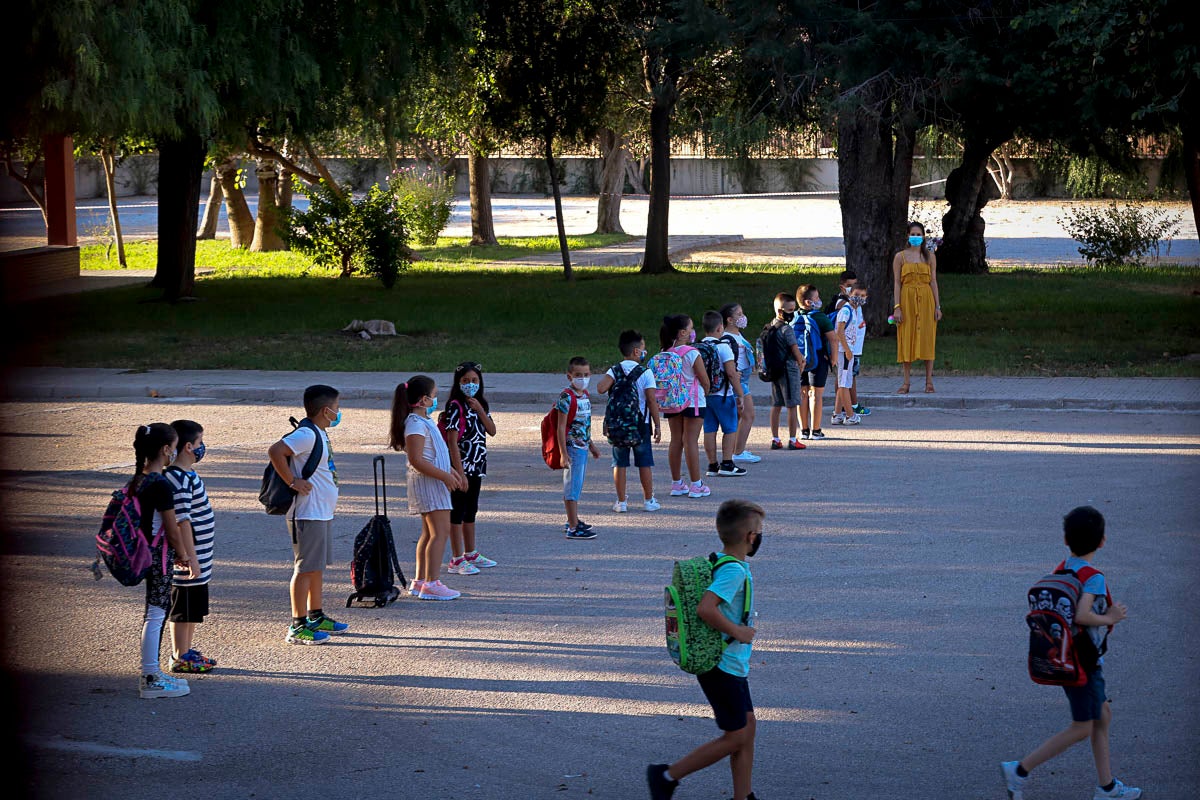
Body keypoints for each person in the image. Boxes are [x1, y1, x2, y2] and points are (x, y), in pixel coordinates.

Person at [1002, 507, 1141, 800]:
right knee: (1082, 727)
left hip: (1064, 654)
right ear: (1102, 541)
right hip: (1083, 662)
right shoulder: (1093, 577)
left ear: (1066, 540)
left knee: (1102, 715)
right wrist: (1110, 617)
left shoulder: (1064, 567)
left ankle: (1107, 787)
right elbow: (1081, 615)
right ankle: (1019, 770)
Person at [646, 499, 765, 800]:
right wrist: (739, 631)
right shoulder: (733, 572)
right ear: (751, 536)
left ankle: (743, 796)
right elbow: (706, 609)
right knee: (737, 735)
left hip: (731, 663)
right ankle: (666, 776)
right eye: (759, 531)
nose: (760, 536)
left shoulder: (721, 561)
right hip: (721, 664)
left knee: (747, 727)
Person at [267, 384, 350, 643]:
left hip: (320, 512)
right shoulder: (307, 434)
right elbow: (275, 451)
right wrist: (293, 481)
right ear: (326, 410)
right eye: (337, 408)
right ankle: (297, 624)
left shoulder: (319, 432)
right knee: (304, 569)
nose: (339, 413)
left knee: (316, 567)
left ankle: (315, 615)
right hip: (307, 512)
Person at [130, 423, 195, 698]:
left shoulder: (139, 479)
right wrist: (184, 555)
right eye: (173, 445)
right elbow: (172, 526)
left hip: (144, 551)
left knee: (154, 612)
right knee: (156, 613)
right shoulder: (160, 484)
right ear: (166, 449)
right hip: (159, 555)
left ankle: (153, 673)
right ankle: (150, 677)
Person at [390, 376, 468, 599]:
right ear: (423, 400)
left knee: (429, 533)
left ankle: (420, 580)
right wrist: (444, 476)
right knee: (440, 533)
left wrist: (451, 472)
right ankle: (432, 583)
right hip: (430, 484)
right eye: (434, 396)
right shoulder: (415, 424)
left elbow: (434, 455)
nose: (436, 400)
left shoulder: (424, 421)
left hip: (434, 481)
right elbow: (417, 460)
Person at [165, 419, 216, 674]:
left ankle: (187, 649)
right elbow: (181, 520)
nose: (202, 447)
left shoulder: (188, 474)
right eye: (199, 442)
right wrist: (189, 557)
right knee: (182, 609)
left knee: (193, 608)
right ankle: (178, 655)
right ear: (187, 446)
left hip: (201, 556)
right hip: (190, 558)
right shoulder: (178, 479)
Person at [442, 361, 499, 576]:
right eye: (466, 381)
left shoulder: (480, 403)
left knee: (471, 510)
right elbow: (452, 441)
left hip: (477, 465)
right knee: (457, 511)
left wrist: (480, 410)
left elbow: (492, 430)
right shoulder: (455, 406)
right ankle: (456, 558)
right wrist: (460, 472)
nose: (470, 384)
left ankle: (470, 552)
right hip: (461, 468)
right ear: (458, 383)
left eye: (474, 380)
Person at [597, 330, 662, 513]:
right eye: (643, 349)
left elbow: (601, 388)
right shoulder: (645, 373)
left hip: (618, 425)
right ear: (635, 351)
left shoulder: (614, 370)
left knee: (619, 463)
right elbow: (651, 401)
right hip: (641, 424)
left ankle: (621, 502)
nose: (644, 352)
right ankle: (649, 500)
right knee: (644, 462)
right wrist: (657, 425)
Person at [660, 315, 712, 498]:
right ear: (683, 333)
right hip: (693, 402)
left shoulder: (665, 352)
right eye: (690, 328)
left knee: (676, 440)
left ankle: (676, 483)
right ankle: (696, 484)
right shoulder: (692, 353)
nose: (693, 331)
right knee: (690, 441)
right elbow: (704, 380)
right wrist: (706, 391)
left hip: (672, 402)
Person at [892, 220, 943, 394]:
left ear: (923, 236)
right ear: (908, 236)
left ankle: (929, 381)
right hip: (907, 299)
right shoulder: (900, 257)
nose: (916, 237)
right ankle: (906, 382)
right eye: (912, 234)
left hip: (926, 299)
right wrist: (897, 307)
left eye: (918, 234)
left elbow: (933, 281)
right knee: (907, 338)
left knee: (928, 338)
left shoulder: (930, 256)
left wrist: (937, 306)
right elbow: (897, 283)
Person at [556, 357, 602, 539]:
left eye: (586, 374)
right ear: (569, 376)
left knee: (576, 485)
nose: (582, 378)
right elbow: (561, 427)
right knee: (571, 487)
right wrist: (563, 453)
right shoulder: (566, 397)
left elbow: (585, 425)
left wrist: (592, 446)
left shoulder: (585, 396)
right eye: (578, 375)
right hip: (572, 448)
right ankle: (573, 527)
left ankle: (572, 519)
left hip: (582, 447)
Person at [699, 310, 747, 477]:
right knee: (730, 429)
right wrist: (740, 393)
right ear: (720, 328)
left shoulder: (698, 347)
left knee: (709, 429)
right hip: (723, 394)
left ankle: (712, 465)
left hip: (705, 395)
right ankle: (727, 463)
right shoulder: (723, 347)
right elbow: (731, 374)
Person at [765, 294, 807, 451]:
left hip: (774, 370)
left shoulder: (770, 326)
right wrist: (801, 362)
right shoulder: (786, 329)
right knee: (792, 404)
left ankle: (775, 438)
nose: (793, 313)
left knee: (776, 404)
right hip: (789, 370)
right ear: (780, 310)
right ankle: (792, 438)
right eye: (790, 310)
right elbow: (795, 351)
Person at [719, 303, 760, 464]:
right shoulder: (727, 338)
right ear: (729, 319)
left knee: (738, 416)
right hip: (737, 381)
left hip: (743, 380)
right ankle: (739, 451)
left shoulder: (737, 335)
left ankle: (736, 449)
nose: (743, 317)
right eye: (739, 314)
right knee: (748, 415)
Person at [794, 284, 835, 440]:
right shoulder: (820, 317)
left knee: (802, 393)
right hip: (817, 359)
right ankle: (816, 430)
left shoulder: (794, 316)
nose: (819, 300)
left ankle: (803, 430)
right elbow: (833, 339)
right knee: (816, 394)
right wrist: (833, 359)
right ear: (808, 302)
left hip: (799, 359)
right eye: (816, 298)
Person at [829, 270, 871, 417]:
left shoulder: (853, 307)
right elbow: (839, 330)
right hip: (847, 349)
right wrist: (847, 349)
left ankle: (840, 409)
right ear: (844, 288)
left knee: (847, 378)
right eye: (852, 289)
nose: (859, 298)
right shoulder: (844, 305)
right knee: (844, 380)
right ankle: (848, 411)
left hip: (854, 347)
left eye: (862, 295)